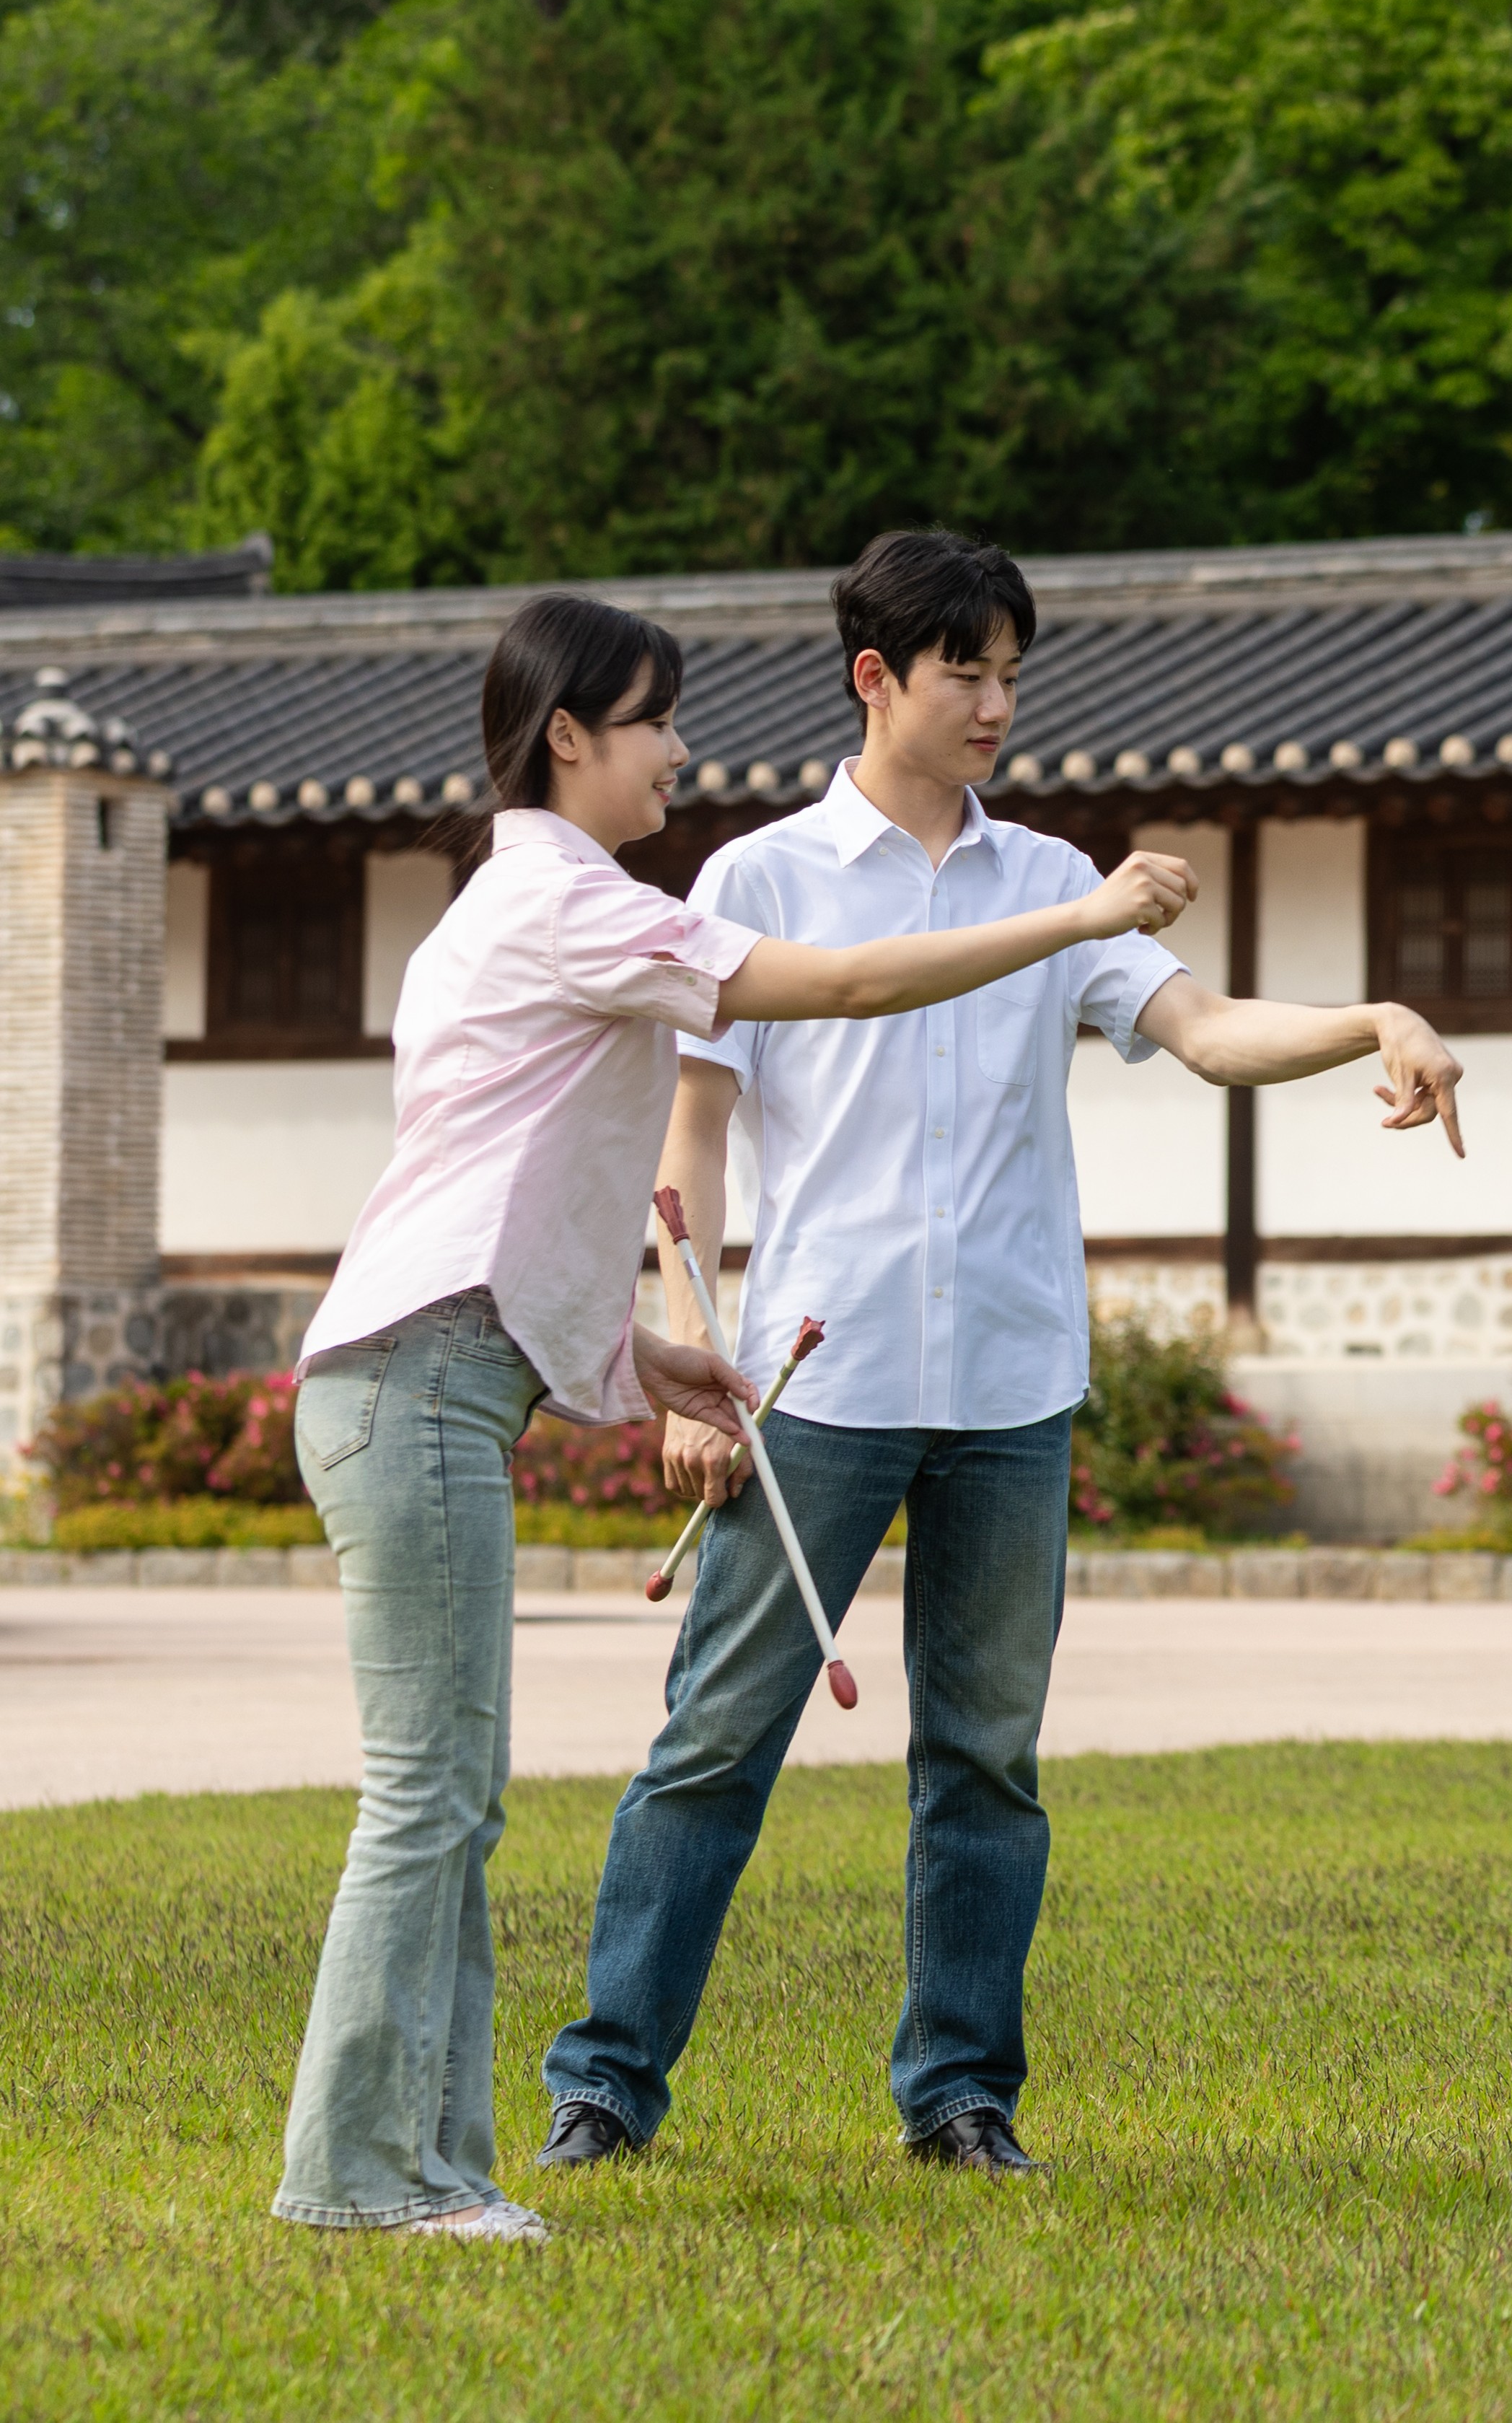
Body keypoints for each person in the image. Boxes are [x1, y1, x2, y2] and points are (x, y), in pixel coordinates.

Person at [539, 529, 1465, 2180]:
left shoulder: (1059, 877)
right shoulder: (757, 880)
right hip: (814, 1379)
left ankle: (960, 2095)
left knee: (985, 1758)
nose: (996, 701)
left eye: (1014, 671)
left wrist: (1373, 1021)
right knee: (714, 1738)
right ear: (876, 675)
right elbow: (698, 1121)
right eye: (967, 667)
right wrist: (697, 1341)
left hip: (1014, 1384)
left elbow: (1207, 1032)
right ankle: (605, 2086)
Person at [276, 594, 1197, 2245]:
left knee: (454, 1796)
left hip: (435, 1373)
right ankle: (357, 2173)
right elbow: (833, 986)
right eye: (652, 723)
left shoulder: (526, 906)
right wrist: (1077, 922)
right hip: (413, 1386)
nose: (679, 752)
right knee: (430, 1797)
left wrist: (648, 1361)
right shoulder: (577, 901)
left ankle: (434, 2168)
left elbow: (500, 1196)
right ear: (571, 735)